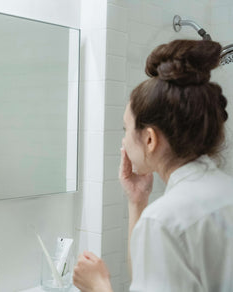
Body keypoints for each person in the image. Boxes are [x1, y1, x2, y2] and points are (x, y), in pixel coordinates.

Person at [73, 39, 233, 291]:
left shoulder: (164, 220)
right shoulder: (224, 191)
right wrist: (137, 201)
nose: (124, 139)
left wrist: (98, 286)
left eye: (126, 129)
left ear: (149, 139)